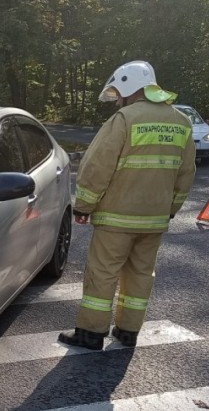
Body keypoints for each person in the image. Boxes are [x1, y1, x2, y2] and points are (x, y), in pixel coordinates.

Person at [58, 60, 196, 351]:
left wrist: (83, 205)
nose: (117, 99)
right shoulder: (181, 122)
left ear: (128, 87)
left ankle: (91, 333)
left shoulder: (124, 119)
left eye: (118, 92)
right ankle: (128, 331)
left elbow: (97, 167)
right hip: (155, 219)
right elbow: (186, 174)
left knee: (103, 273)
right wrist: (171, 209)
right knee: (141, 275)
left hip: (116, 219)